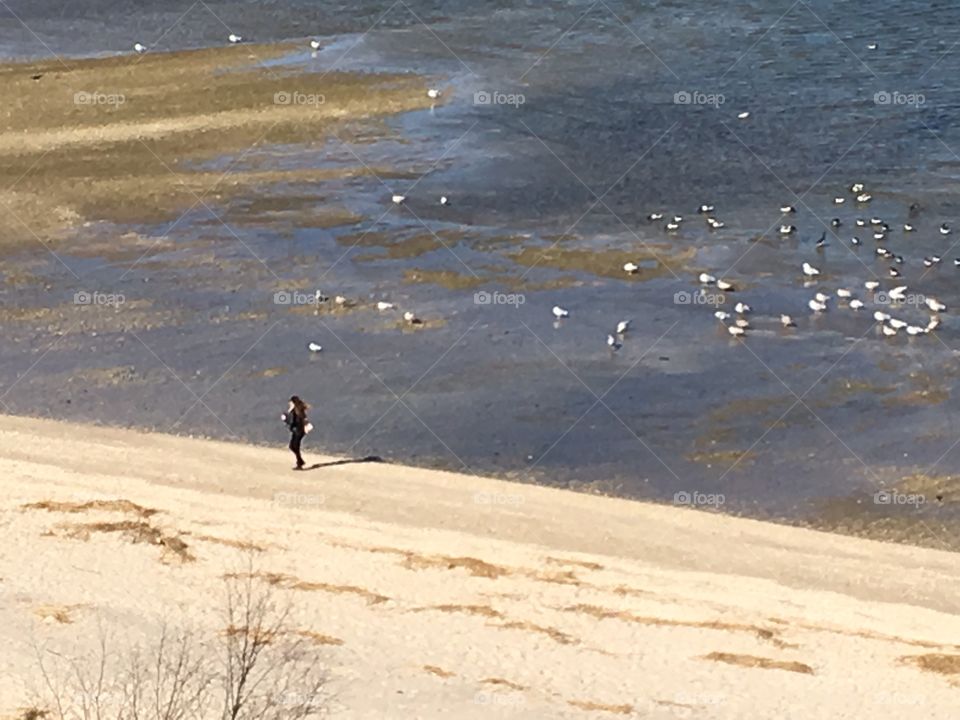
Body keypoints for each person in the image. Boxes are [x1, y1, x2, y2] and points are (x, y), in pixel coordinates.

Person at [281, 396, 312, 469]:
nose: (289, 404)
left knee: (293, 446)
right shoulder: (297, 410)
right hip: (297, 431)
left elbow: (292, 421)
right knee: (294, 446)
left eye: (290, 403)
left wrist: (285, 419)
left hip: (298, 431)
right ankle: (300, 461)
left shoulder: (295, 411)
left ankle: (300, 462)